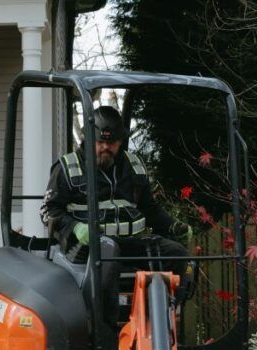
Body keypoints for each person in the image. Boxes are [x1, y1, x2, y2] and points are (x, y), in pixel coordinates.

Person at [40, 105, 193, 296]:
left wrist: (173, 226)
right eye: (100, 141)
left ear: (120, 141)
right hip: (87, 248)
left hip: (132, 243)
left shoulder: (134, 167)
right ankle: (106, 326)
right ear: (88, 137)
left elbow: (149, 209)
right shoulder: (67, 167)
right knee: (108, 260)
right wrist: (75, 228)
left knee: (179, 256)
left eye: (112, 142)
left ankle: (165, 315)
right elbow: (48, 211)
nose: (106, 147)